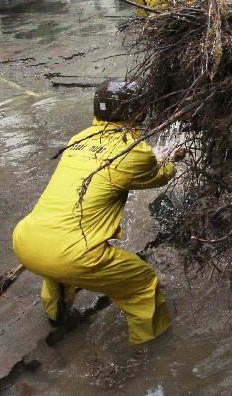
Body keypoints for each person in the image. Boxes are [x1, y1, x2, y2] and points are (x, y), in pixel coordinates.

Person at [13, 79, 181, 345]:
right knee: (141, 281)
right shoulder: (134, 151)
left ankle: (57, 316)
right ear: (139, 112)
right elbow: (158, 176)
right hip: (72, 255)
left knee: (57, 268)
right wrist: (170, 158)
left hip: (27, 241)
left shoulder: (78, 139)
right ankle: (152, 343)